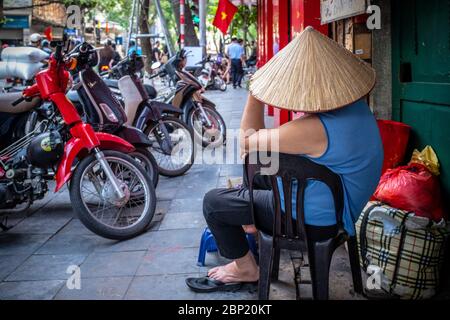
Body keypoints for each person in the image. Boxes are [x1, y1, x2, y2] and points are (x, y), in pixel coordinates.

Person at [185, 27, 383, 292]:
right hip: (338, 206)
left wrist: (255, 91)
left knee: (214, 203)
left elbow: (247, 140)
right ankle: (251, 220)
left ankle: (246, 267)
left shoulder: (313, 130)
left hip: (315, 220)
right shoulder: (357, 108)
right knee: (260, 165)